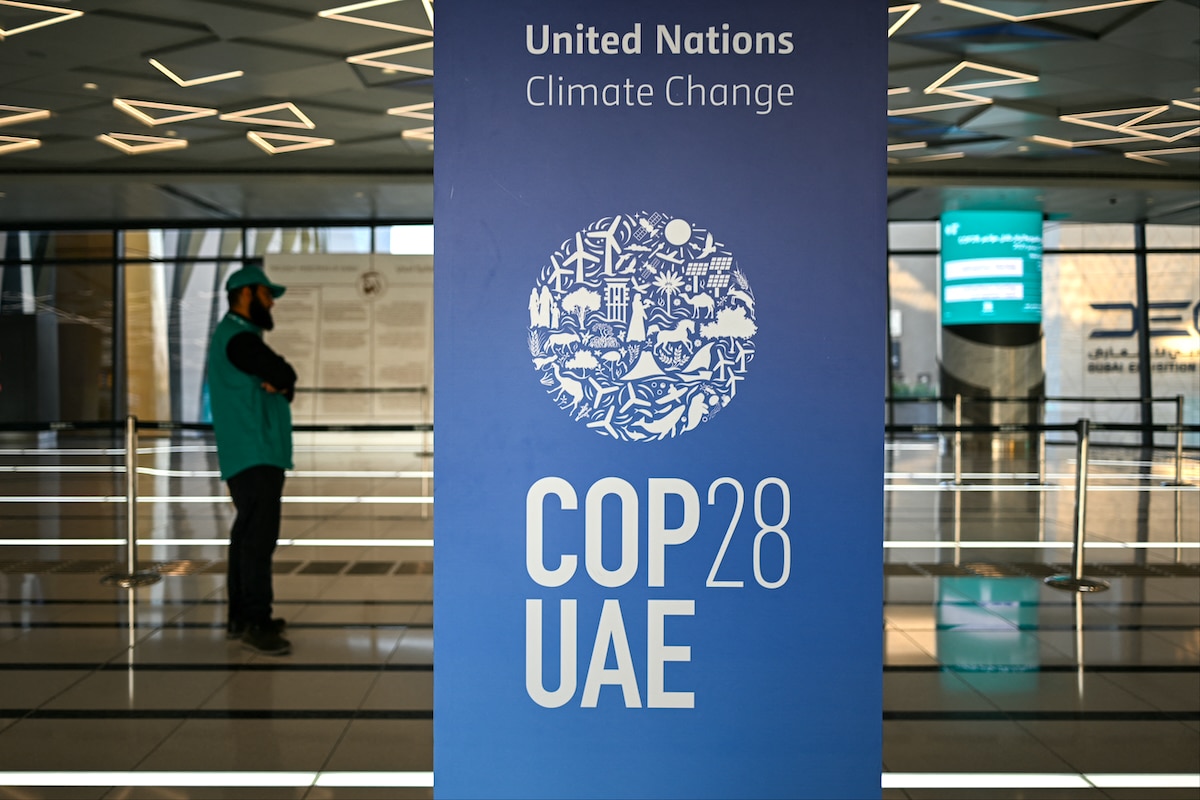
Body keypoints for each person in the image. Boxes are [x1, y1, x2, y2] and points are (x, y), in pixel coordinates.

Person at [207, 262, 297, 656]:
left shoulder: (235, 336)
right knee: (258, 540)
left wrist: (282, 382)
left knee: (245, 537)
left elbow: (281, 380)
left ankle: (240, 616)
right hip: (255, 451)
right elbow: (284, 372)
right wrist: (283, 381)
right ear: (246, 294)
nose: (271, 305)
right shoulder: (240, 340)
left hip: (248, 450)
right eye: (266, 296)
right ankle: (257, 622)